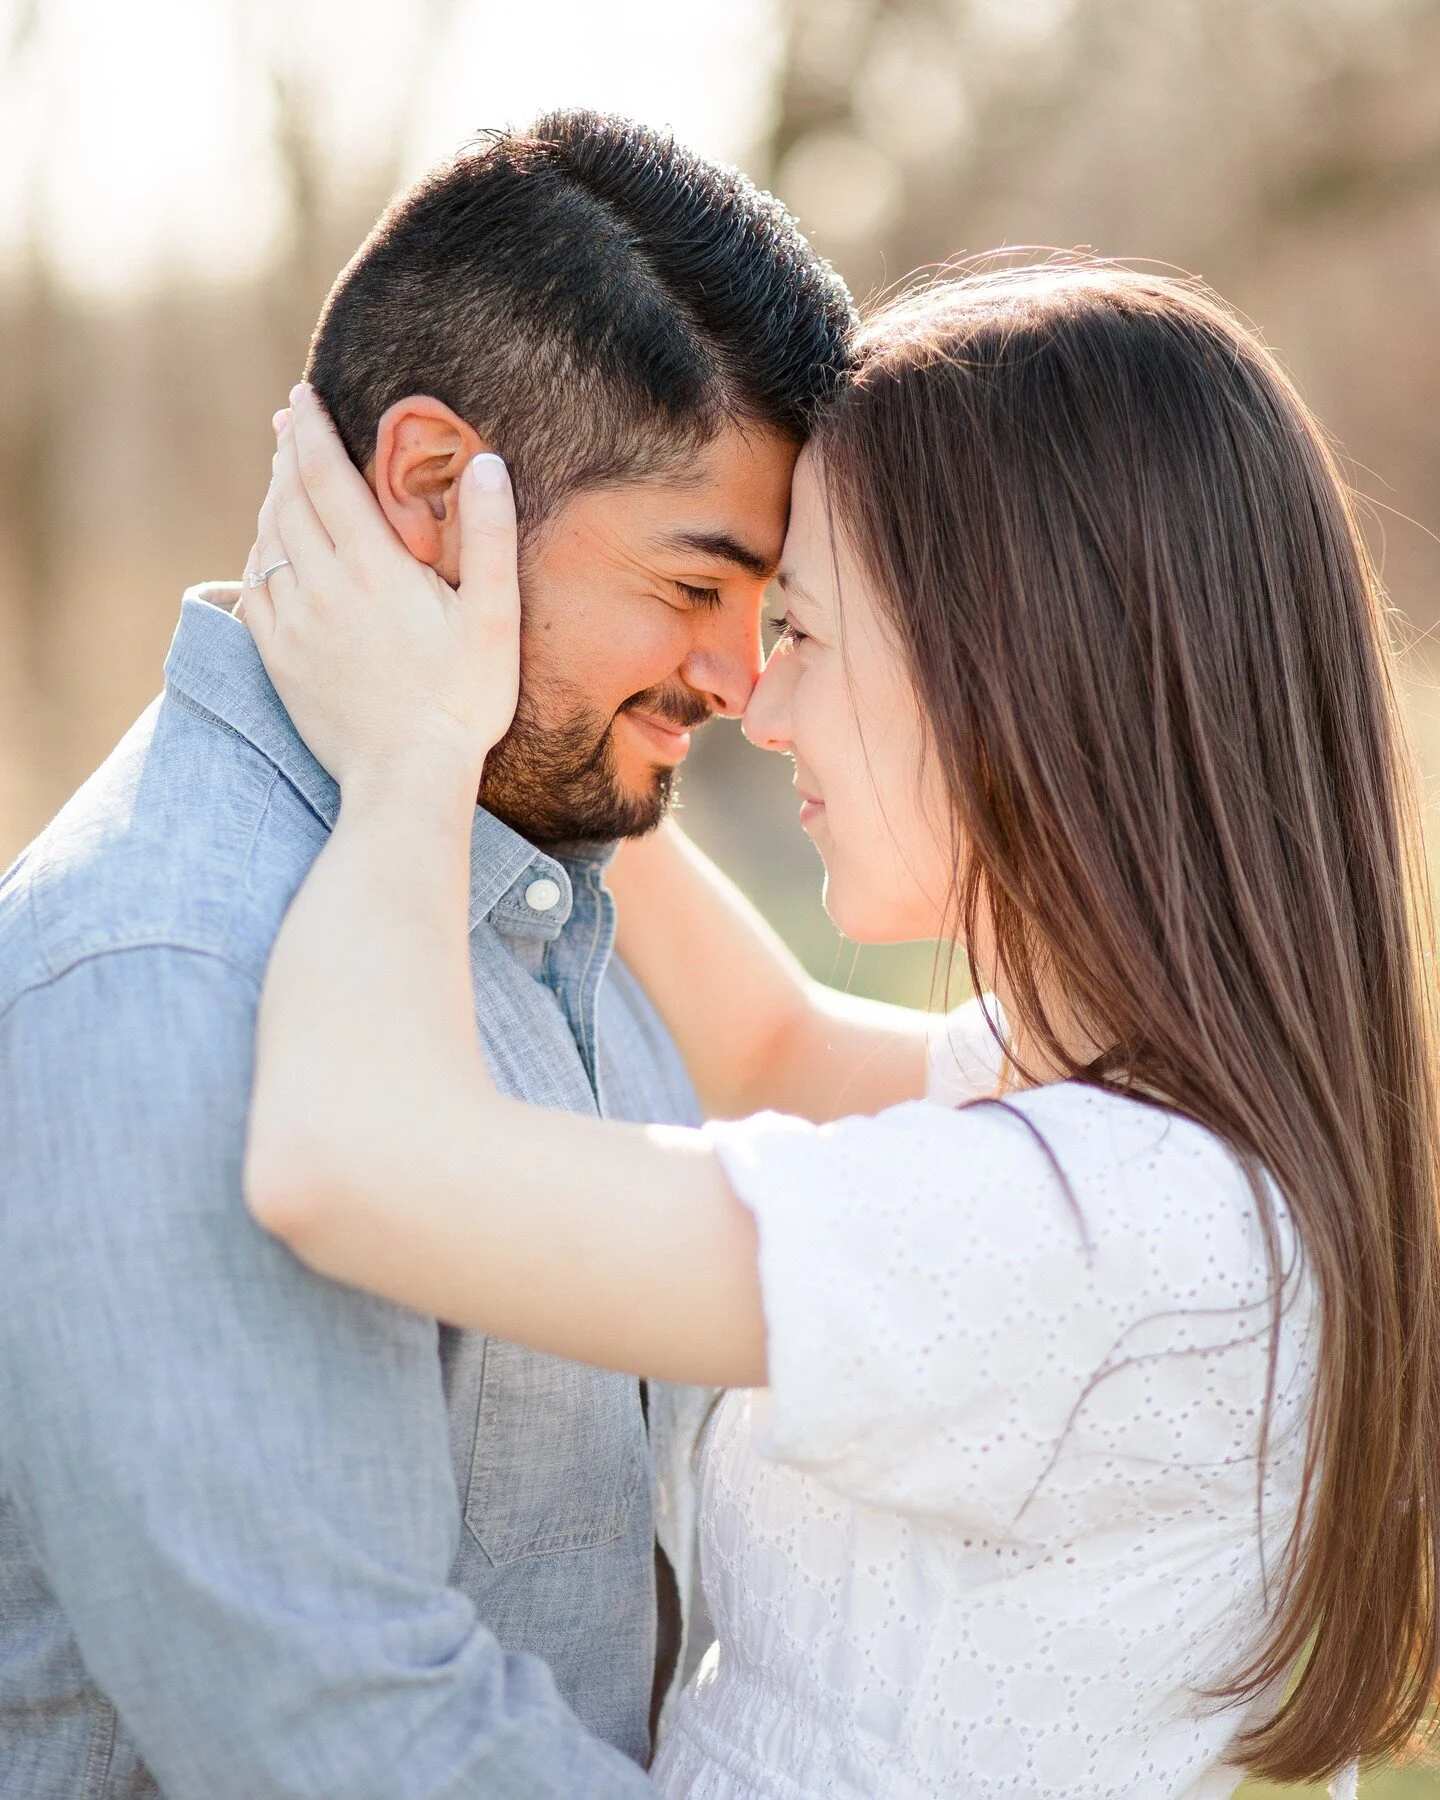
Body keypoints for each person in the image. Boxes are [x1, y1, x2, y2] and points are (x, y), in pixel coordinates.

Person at [241, 263, 1439, 1799]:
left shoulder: (1093, 1236)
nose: (758, 699)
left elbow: (344, 1165)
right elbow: (777, 1055)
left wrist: (408, 754)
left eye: (801, 630)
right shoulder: (1150, 1127)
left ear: (1019, 667)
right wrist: (530, 692)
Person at [0, 113, 853, 1799]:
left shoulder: (543, 873)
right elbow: (344, 1734)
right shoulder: (165, 976)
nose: (744, 679)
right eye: (698, 585)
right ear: (428, 487)